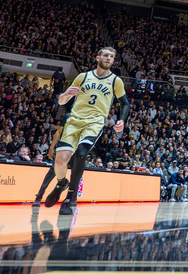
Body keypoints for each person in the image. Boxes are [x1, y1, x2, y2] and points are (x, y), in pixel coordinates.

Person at [45, 47, 129, 216]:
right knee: (60, 161)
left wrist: (122, 120)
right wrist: (67, 94)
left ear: (113, 61)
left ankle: (70, 197)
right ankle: (62, 183)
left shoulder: (115, 81)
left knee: (81, 153)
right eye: (106, 55)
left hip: (95, 122)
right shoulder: (83, 77)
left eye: (112, 56)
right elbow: (62, 101)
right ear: (98, 57)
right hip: (74, 120)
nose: (108, 58)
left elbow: (125, 103)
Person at [33, 99, 71, 207]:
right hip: (64, 148)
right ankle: (39, 196)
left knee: (75, 174)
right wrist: (51, 147)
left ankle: (68, 197)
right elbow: (58, 132)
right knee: (51, 173)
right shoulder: (68, 116)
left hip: (74, 149)